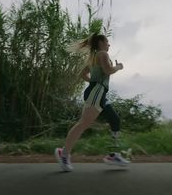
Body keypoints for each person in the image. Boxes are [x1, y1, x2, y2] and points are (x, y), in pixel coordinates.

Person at [55, 33, 130, 172]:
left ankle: (113, 155)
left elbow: (83, 74)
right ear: (101, 42)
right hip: (97, 92)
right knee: (83, 124)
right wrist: (118, 67)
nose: (109, 45)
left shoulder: (93, 57)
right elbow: (108, 70)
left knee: (115, 120)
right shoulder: (102, 54)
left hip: (98, 93)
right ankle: (63, 154)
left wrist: (94, 82)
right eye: (107, 42)